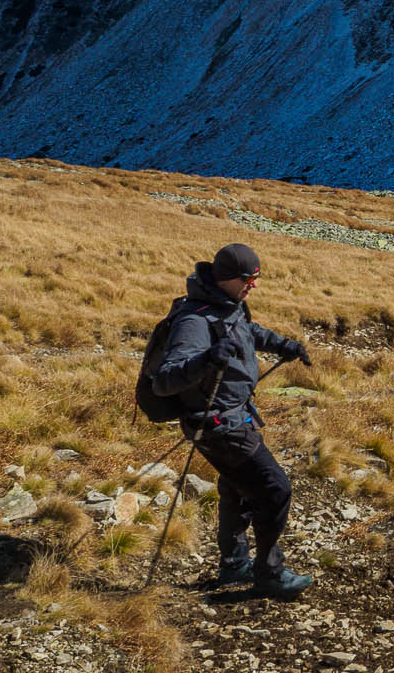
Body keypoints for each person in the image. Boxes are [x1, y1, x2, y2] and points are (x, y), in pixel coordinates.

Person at [151, 242, 314, 599]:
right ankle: (269, 573)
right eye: (248, 278)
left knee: (237, 488)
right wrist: (207, 358)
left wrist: (283, 345)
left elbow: (248, 333)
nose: (254, 285)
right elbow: (164, 380)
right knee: (274, 489)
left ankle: (233, 564)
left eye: (256, 278)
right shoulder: (195, 320)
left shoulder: (228, 306)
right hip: (217, 425)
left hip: (233, 416)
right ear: (226, 278)